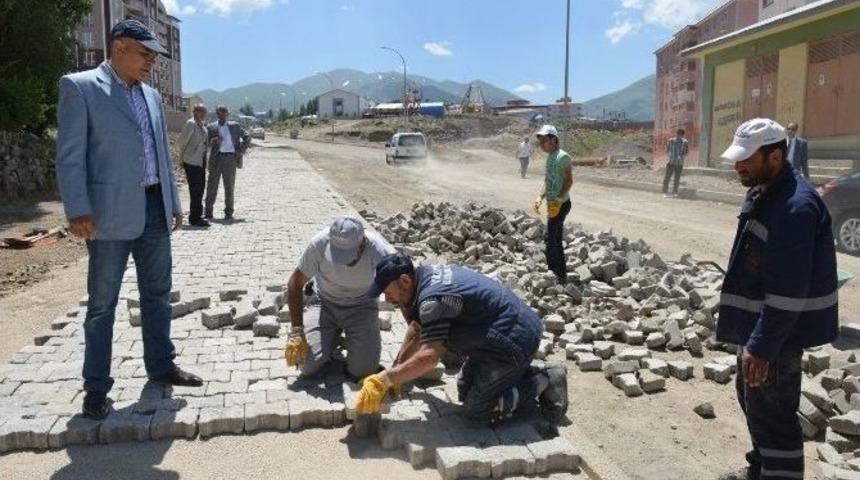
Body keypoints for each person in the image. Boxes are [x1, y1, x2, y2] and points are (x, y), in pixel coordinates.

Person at [55, 19, 203, 420]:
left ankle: (161, 366)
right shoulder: (80, 86)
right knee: (102, 305)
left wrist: (173, 202)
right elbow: (69, 156)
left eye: (154, 56)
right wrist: (77, 210)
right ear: (119, 46)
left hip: (154, 208)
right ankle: (96, 388)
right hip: (105, 216)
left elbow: (160, 154)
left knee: (158, 295)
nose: (151, 62)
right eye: (145, 54)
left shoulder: (152, 96)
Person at [717, 118, 838, 480]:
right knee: (753, 400)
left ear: (775, 156)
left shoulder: (795, 208)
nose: (739, 166)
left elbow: (789, 290)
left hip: (780, 331)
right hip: (762, 324)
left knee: (773, 412)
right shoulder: (763, 190)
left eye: (747, 159)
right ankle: (761, 467)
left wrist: (763, 345)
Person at [354, 253, 569, 426]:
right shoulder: (422, 278)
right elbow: (417, 329)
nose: (386, 298)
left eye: (387, 291)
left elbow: (429, 357)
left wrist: (385, 379)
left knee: (476, 412)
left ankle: (545, 377)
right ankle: (515, 375)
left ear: (404, 280)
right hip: (495, 334)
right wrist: (397, 370)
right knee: (464, 388)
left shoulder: (433, 301)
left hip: (514, 340)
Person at [284, 216, 395, 380]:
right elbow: (294, 283)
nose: (344, 262)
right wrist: (297, 331)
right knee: (305, 365)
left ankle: (347, 339)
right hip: (324, 304)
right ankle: (332, 337)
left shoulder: (378, 250)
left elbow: (401, 285)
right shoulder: (319, 244)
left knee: (363, 372)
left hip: (362, 307)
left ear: (362, 243)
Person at [532, 125, 572, 284]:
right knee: (550, 237)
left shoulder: (563, 157)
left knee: (553, 238)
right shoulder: (550, 158)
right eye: (540, 142)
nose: (542, 145)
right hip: (552, 205)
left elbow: (569, 181)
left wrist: (559, 200)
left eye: (544, 141)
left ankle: (560, 275)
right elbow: (547, 182)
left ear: (553, 139)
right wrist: (540, 197)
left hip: (561, 205)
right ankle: (553, 270)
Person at [205, 105, 250, 221]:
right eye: (219, 112)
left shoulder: (235, 126)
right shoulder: (211, 127)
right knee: (211, 186)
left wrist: (240, 151)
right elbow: (205, 143)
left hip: (230, 158)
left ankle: (229, 212)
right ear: (216, 114)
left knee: (229, 186)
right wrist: (212, 141)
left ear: (228, 114)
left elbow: (247, 136)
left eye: (224, 112)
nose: (222, 114)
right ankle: (208, 212)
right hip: (216, 158)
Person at [177, 104, 210, 227]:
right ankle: (195, 218)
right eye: (200, 111)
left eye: (204, 111)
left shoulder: (202, 125)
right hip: (191, 161)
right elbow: (181, 142)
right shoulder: (191, 124)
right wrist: (183, 157)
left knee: (200, 189)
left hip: (200, 162)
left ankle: (196, 216)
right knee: (195, 190)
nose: (203, 113)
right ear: (195, 112)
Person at [662, 128, 688, 198]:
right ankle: (664, 192)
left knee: (677, 178)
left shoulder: (685, 142)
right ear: (676, 134)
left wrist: (682, 156)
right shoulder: (670, 141)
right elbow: (667, 150)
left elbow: (686, 152)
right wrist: (669, 157)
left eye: (681, 136)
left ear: (683, 135)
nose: (679, 137)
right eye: (678, 135)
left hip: (679, 163)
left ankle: (675, 192)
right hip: (671, 162)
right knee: (667, 178)